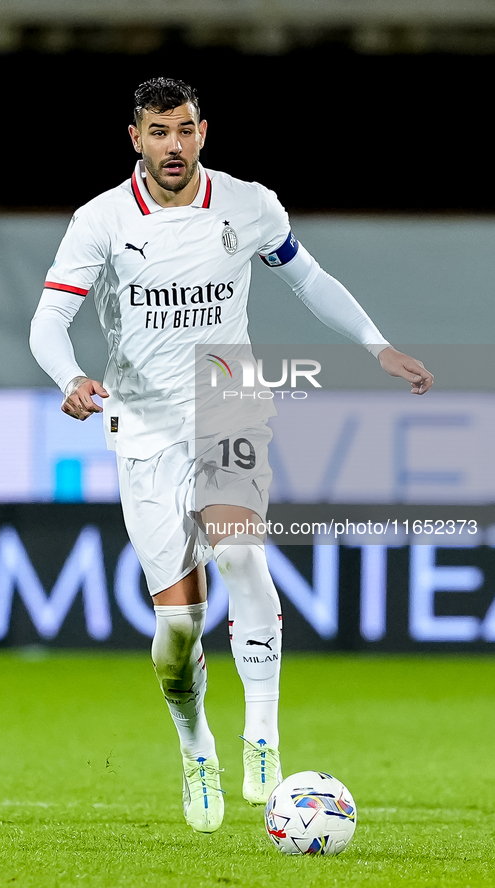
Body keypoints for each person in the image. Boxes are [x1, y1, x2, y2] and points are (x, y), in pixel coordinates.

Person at [29, 76, 433, 834]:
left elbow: (308, 278)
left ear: (203, 132)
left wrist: (376, 346)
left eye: (183, 130)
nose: (172, 145)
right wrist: (71, 377)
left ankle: (263, 739)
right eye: (157, 132)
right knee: (178, 629)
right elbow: (49, 320)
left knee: (242, 554)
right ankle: (195, 748)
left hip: (227, 405)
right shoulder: (101, 221)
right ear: (135, 139)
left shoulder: (249, 204)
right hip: (144, 429)